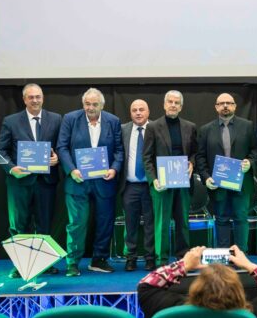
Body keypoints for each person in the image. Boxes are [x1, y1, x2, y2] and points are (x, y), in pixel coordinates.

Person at [137, 245, 257, 318]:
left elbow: (146, 286)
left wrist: (184, 265)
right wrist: (248, 265)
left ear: (195, 290)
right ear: (239, 291)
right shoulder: (254, 316)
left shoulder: (174, 313)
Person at [57, 88, 124, 277]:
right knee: (77, 223)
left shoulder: (113, 121)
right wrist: (72, 170)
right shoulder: (70, 119)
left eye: (95, 104)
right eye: (87, 104)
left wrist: (114, 168)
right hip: (77, 181)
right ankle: (72, 262)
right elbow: (62, 147)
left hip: (104, 181)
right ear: (83, 104)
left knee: (105, 222)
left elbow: (119, 150)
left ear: (102, 105)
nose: (91, 107)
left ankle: (99, 259)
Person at [0, 83, 61, 278]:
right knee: (19, 225)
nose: (35, 100)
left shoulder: (56, 119)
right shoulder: (11, 121)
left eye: (38, 97)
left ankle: (44, 264)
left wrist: (57, 158)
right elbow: (1, 150)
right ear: (24, 99)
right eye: (31, 97)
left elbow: (61, 146)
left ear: (43, 98)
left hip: (46, 182)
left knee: (44, 225)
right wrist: (11, 168)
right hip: (19, 182)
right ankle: (21, 265)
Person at [196, 93, 257, 252]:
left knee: (241, 219)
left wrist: (250, 162)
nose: (225, 106)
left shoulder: (247, 126)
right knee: (221, 219)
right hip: (218, 184)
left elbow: (256, 151)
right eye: (221, 103)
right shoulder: (205, 129)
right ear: (216, 107)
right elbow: (200, 157)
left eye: (229, 103)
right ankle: (223, 256)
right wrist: (206, 177)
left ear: (235, 106)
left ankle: (240, 256)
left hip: (241, 182)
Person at [142, 90, 197, 266]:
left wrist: (192, 163)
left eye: (176, 103)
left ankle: (183, 259)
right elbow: (146, 157)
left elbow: (195, 152)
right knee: (162, 223)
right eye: (170, 102)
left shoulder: (190, 127)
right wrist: (153, 180)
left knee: (183, 223)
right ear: (164, 104)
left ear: (181, 107)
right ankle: (162, 260)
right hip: (161, 183)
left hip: (183, 182)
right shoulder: (153, 127)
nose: (173, 105)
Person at [119, 99, 155, 272]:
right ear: (130, 113)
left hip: (151, 185)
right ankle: (130, 258)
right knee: (130, 224)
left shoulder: (156, 128)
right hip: (130, 186)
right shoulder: (123, 129)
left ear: (148, 112)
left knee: (150, 224)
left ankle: (150, 258)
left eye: (142, 109)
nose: (138, 113)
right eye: (135, 110)